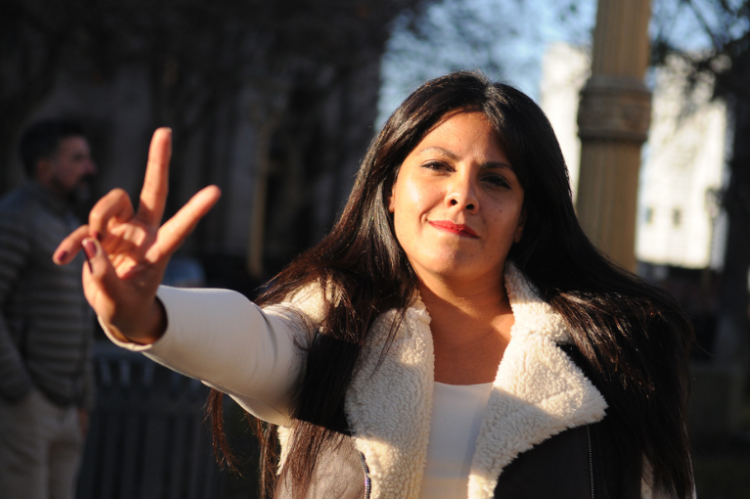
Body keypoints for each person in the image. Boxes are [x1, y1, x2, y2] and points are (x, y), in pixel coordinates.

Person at [54, 72, 694, 499]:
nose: (463, 195)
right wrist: (145, 313)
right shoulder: (330, 326)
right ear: (390, 190)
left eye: (495, 180)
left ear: (525, 217)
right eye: (438, 166)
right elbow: (250, 339)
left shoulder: (610, 351)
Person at [0, 119, 98, 499]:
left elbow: (80, 316)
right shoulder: (12, 217)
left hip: (66, 408)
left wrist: (82, 399)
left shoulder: (67, 222)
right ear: (44, 166)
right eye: (77, 158)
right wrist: (18, 388)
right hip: (23, 406)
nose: (90, 168)